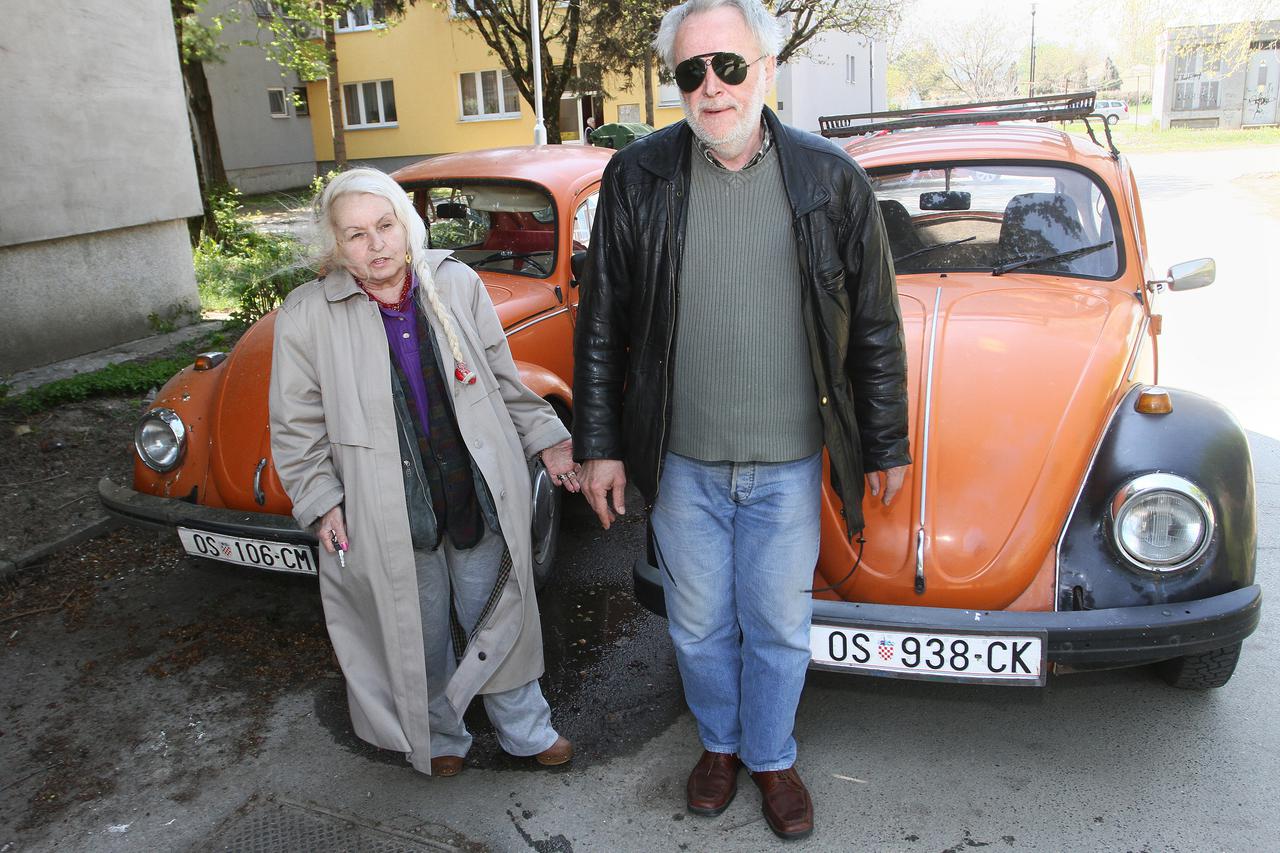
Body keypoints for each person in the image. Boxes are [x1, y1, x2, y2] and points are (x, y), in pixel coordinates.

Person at [572, 0, 910, 840]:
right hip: (682, 460)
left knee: (779, 625)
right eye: (692, 72)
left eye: (729, 66)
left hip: (790, 462)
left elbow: (873, 323)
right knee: (695, 623)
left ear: (767, 68)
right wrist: (601, 446)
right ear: (677, 84)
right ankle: (719, 743)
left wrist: (886, 440)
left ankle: (770, 753)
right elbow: (603, 320)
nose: (712, 88)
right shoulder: (638, 177)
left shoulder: (830, 178)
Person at [269, 168, 580, 778]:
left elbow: (504, 380)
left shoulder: (454, 284)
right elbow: (296, 426)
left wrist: (549, 440)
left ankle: (526, 730)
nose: (376, 245)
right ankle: (438, 736)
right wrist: (320, 501)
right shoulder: (308, 314)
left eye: (385, 226)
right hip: (385, 507)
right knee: (419, 630)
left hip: (469, 490)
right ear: (334, 245)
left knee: (497, 614)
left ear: (405, 225)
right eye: (355, 235)